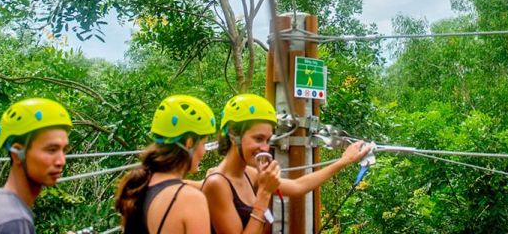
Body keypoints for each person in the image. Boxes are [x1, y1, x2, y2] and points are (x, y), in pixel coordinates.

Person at [202, 93, 370, 234]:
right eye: (258, 139)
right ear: (233, 135)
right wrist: (264, 194)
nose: (265, 148)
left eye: (268, 140)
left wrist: (344, 161)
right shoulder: (217, 184)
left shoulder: (248, 173)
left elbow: (298, 186)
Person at [115, 94, 216, 234]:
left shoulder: (142, 184)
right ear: (189, 143)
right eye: (204, 144)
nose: (204, 151)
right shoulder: (189, 199)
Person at [0, 98, 73, 234]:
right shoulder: (13, 222)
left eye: (64, 150)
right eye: (51, 150)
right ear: (17, 153)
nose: (61, 161)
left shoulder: (1, 206)